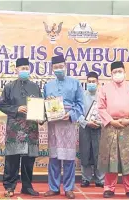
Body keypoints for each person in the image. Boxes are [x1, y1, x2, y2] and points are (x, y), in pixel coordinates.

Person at [97, 61, 129, 199]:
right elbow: (100, 107)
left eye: (119, 71)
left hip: (128, 126)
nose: (117, 74)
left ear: (124, 71)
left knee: (128, 158)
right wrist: (111, 121)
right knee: (111, 158)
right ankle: (109, 188)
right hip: (111, 126)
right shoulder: (104, 88)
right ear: (111, 74)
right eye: (114, 72)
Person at [0, 58, 41, 197]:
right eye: (21, 68)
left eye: (26, 68)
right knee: (12, 159)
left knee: (29, 159)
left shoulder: (35, 87)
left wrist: (41, 117)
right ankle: (9, 186)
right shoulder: (9, 87)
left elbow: (41, 106)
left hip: (31, 129)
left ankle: (27, 186)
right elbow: (1, 105)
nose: (24, 71)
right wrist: (17, 109)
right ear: (16, 70)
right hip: (15, 130)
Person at [43, 55, 84, 199]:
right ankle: (53, 188)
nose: (59, 69)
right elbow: (43, 105)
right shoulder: (48, 86)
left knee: (68, 158)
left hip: (68, 124)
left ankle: (68, 188)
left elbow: (81, 104)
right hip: (53, 125)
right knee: (53, 157)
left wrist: (72, 114)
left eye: (61, 66)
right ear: (52, 69)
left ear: (65, 66)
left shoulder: (75, 83)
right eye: (56, 67)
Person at [78, 71, 105, 188]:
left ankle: (100, 179)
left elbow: (107, 112)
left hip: (99, 128)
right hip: (85, 128)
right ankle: (86, 179)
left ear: (98, 82)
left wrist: (100, 123)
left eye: (93, 81)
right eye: (89, 82)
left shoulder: (103, 96)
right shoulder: (81, 96)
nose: (91, 83)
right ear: (86, 83)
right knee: (85, 153)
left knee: (100, 153)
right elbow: (78, 113)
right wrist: (86, 122)